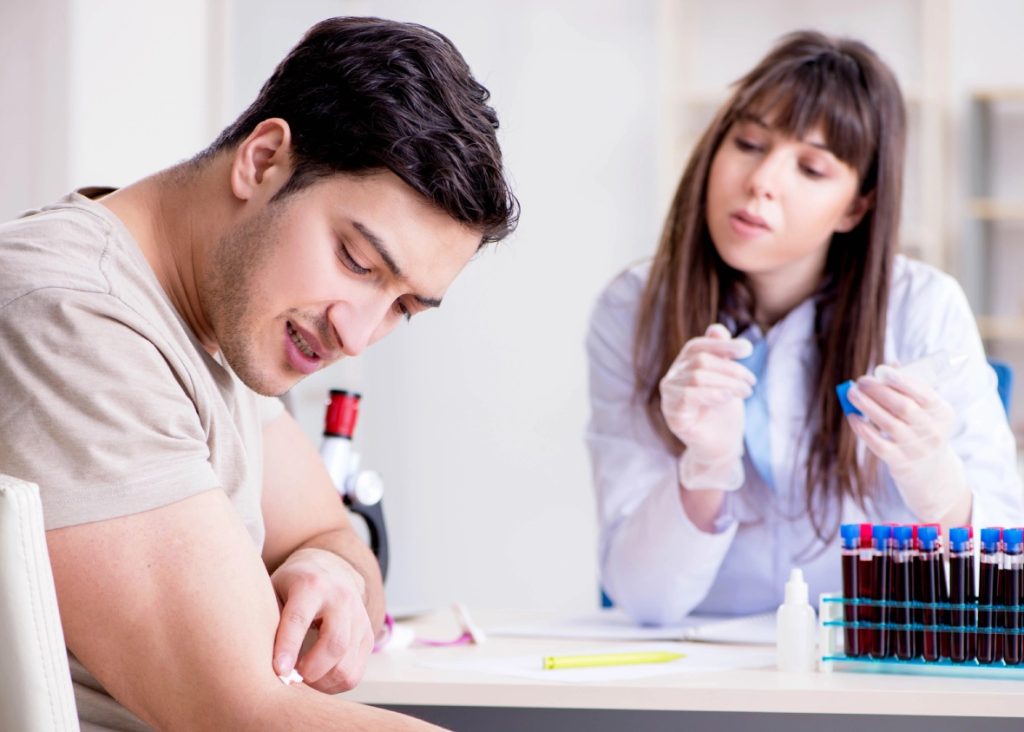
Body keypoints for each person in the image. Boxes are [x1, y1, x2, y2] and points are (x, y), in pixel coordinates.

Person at [0, 16, 517, 731]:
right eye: (358, 262)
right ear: (264, 158)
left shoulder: (226, 317)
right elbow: (245, 714)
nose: (357, 334)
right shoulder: (71, 317)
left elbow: (331, 533)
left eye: (403, 305)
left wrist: (332, 570)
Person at [585, 30, 1024, 626]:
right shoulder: (634, 309)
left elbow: (1001, 589)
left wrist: (938, 485)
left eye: (812, 168)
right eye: (747, 142)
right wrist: (706, 465)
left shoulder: (923, 307)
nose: (762, 180)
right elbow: (644, 599)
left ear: (856, 206)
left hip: (875, 669)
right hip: (704, 673)